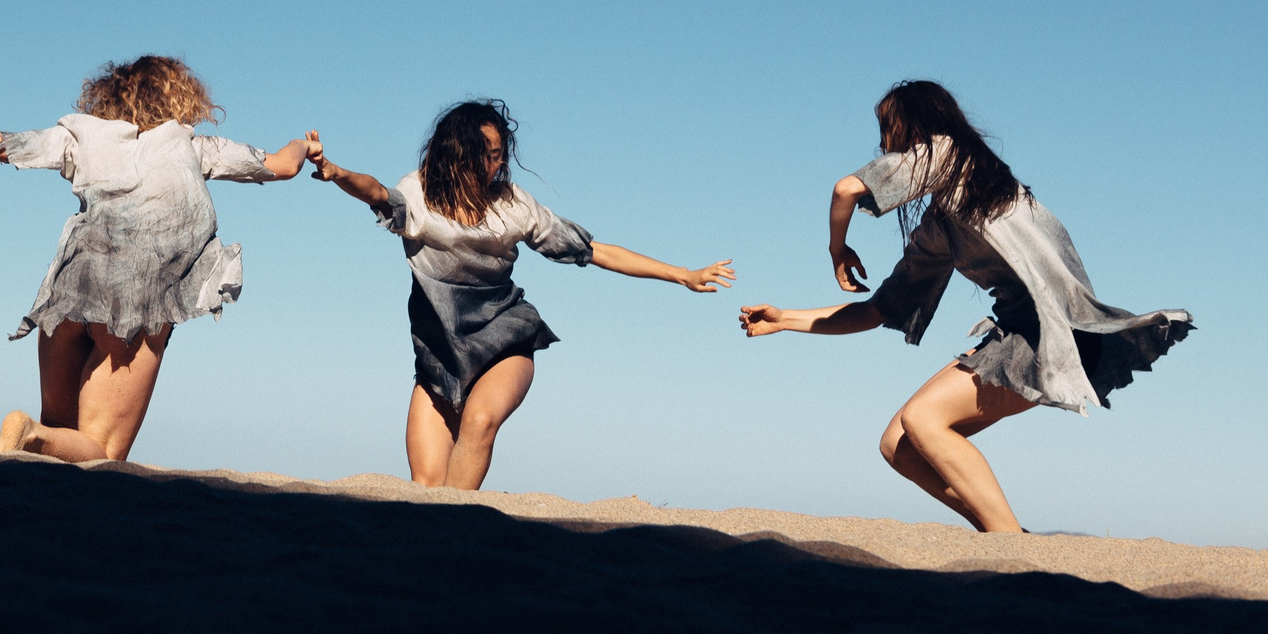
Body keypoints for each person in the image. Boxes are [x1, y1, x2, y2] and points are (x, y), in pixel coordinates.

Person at [739, 80, 1193, 534]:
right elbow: (878, 309)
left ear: (915, 126)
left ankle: (1011, 545)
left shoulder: (953, 154)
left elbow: (845, 190)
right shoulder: (941, 228)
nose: (882, 144)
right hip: (1016, 333)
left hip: (1050, 332)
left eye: (887, 128)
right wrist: (785, 321)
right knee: (898, 443)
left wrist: (837, 250)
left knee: (923, 420)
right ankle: (1004, 535)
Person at [0, 55, 312, 462]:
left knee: (60, 442)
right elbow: (283, 165)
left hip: (70, 296)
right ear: (179, 99)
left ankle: (36, 448)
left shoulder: (80, 136)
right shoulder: (193, 145)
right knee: (100, 454)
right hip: (135, 307)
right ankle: (30, 433)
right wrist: (305, 145)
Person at [308, 101, 733, 489]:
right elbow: (378, 193)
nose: (496, 164)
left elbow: (593, 251)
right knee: (425, 486)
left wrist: (681, 274)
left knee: (478, 421)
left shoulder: (513, 206)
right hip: (440, 356)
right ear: (458, 152)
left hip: (504, 341)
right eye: (486, 153)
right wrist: (338, 173)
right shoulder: (419, 196)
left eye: (499, 155)